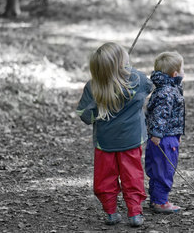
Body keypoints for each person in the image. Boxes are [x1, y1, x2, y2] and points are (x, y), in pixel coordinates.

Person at [76, 42, 153, 227]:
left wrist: (98, 107)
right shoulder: (137, 79)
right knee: (132, 175)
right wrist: (129, 72)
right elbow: (149, 88)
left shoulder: (93, 86)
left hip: (105, 143)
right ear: (122, 64)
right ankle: (135, 213)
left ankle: (111, 212)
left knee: (105, 177)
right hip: (132, 141)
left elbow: (84, 116)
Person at [145, 51, 185, 213]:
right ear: (175, 74)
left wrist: (178, 134)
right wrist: (157, 134)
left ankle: (156, 199)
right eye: (183, 69)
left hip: (167, 136)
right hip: (163, 138)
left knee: (158, 168)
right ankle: (160, 201)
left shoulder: (164, 89)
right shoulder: (168, 92)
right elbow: (161, 115)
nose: (184, 73)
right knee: (164, 169)